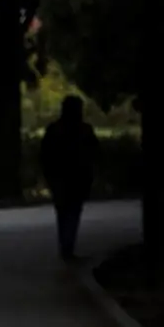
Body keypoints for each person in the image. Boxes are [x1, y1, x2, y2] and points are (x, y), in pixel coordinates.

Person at [39, 95, 99, 261]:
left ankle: (66, 246)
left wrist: (48, 176)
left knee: (63, 213)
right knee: (72, 213)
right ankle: (68, 247)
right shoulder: (85, 130)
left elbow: (45, 155)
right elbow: (94, 154)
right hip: (77, 178)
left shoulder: (54, 130)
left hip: (60, 178)